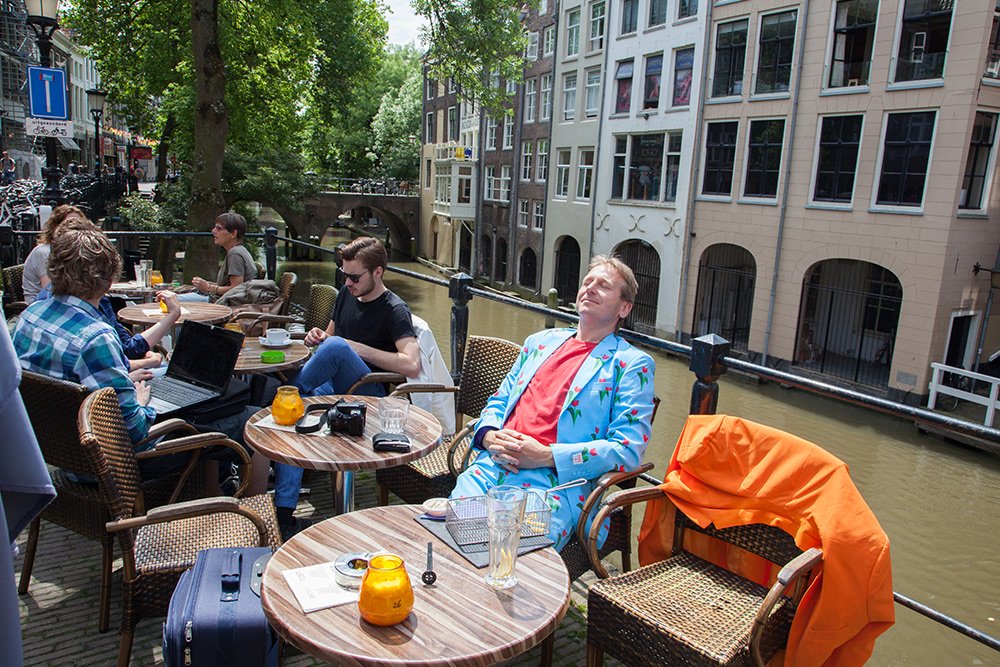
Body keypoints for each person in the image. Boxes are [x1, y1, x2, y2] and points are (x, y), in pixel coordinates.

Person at [13, 225, 268, 495]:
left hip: (64, 456)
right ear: (108, 279)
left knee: (201, 406)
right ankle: (257, 517)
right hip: (120, 464)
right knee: (257, 421)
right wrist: (141, 401)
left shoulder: (31, 316)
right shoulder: (95, 337)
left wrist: (126, 380)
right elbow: (135, 432)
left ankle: (210, 496)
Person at [450, 256, 656, 550]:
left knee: (514, 556)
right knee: (455, 538)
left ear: (624, 308)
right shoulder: (540, 342)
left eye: (604, 285)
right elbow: (499, 401)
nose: (591, 288)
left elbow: (629, 449)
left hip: (554, 486)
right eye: (588, 282)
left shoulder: (631, 364)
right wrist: (489, 435)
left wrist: (547, 455)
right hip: (492, 466)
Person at [272, 236, 421, 539]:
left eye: (355, 276)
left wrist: (355, 348)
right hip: (338, 387)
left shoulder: (395, 309)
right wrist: (316, 335)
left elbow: (411, 364)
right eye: (344, 274)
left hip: (371, 397)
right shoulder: (344, 294)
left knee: (334, 353)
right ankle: (284, 512)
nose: (348, 282)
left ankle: (281, 394)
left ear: (378, 272)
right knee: (297, 415)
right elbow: (329, 335)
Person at [183, 212, 257, 302]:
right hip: (220, 300)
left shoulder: (235, 254)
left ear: (233, 233)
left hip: (222, 304)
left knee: (168, 300)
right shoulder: (238, 251)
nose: (213, 231)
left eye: (219, 228)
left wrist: (209, 287)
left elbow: (237, 289)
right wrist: (206, 284)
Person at [21, 205, 88, 304]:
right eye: (69, 223)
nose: (75, 228)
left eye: (78, 223)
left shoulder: (73, 251)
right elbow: (51, 290)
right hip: (41, 307)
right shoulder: (44, 253)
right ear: (55, 227)